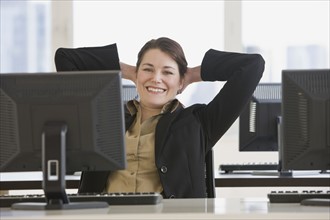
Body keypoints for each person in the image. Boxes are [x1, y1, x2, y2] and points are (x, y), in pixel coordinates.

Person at [55, 37, 264, 198]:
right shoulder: (105, 117)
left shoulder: (198, 123)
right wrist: (130, 72)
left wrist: (192, 75)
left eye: (167, 72)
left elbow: (252, 66)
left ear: (180, 81)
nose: (156, 78)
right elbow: (66, 58)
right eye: (148, 69)